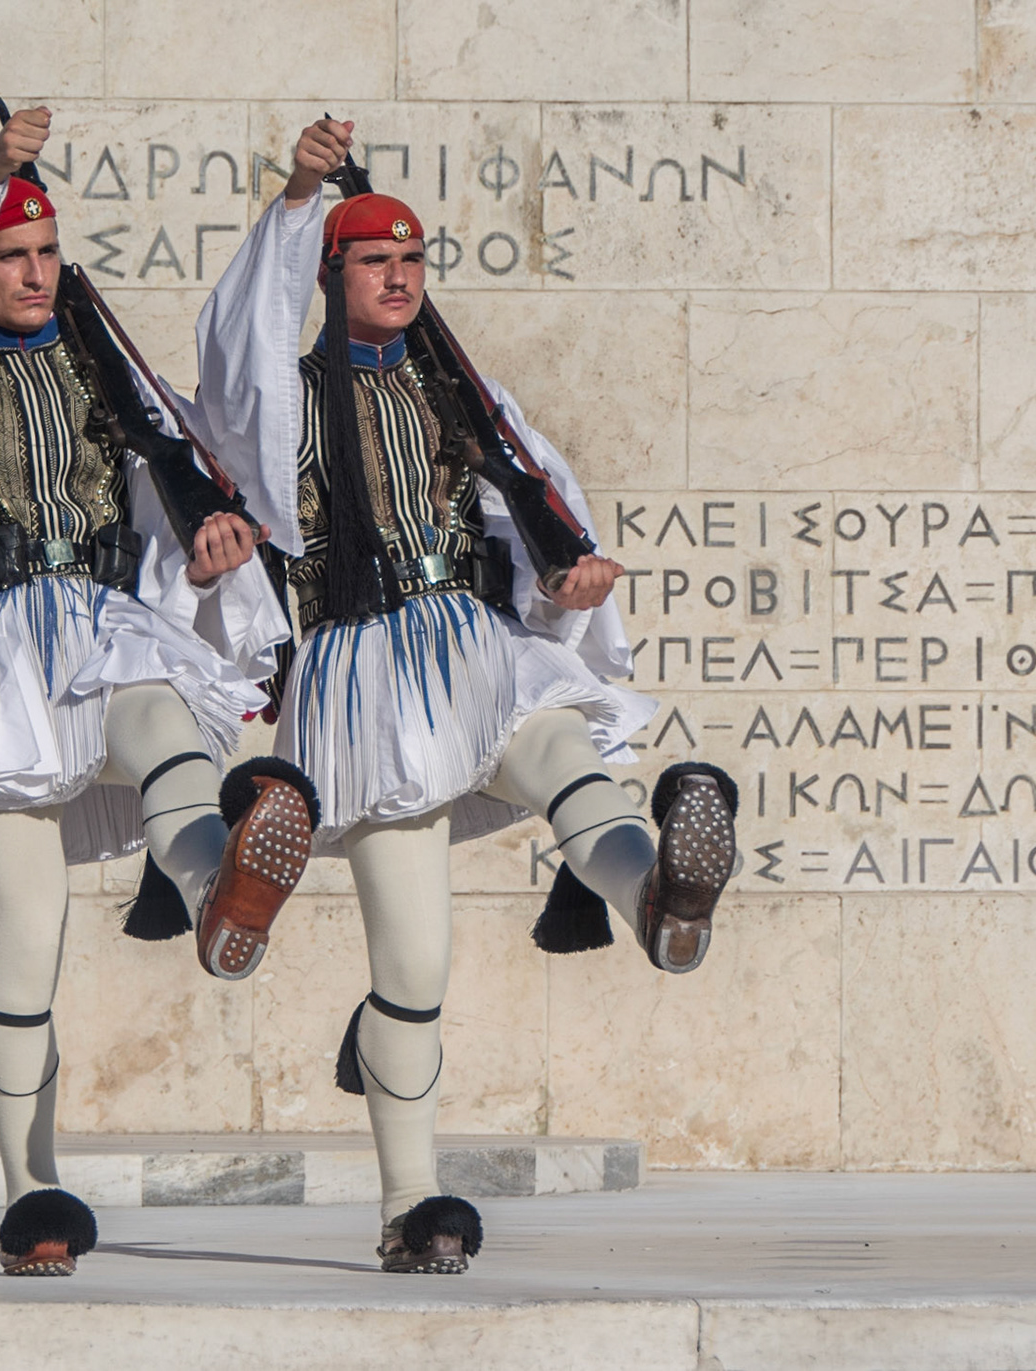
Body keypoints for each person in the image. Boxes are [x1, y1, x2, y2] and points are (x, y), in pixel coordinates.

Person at [189, 117, 739, 1273]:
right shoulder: (280, 407)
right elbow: (237, 342)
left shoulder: (467, 403)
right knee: (416, 968)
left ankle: (663, 904)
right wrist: (297, 195)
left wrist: (570, 581)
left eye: (414, 260)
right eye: (374, 260)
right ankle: (410, 1202)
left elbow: (535, 522)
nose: (400, 276)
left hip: (478, 646)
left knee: (577, 778)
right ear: (332, 276)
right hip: (364, 675)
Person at [0, 105, 319, 1276]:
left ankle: (218, 881)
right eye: (11, 252)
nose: (36, 272)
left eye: (47, 251)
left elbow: (177, 485)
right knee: (26, 945)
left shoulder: (107, 378)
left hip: (100, 626)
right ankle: (32, 1190)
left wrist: (200, 551)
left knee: (166, 716)